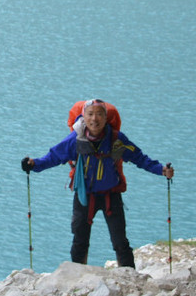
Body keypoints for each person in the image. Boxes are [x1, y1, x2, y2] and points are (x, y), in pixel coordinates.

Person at [20, 99, 174, 268]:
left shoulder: (115, 139)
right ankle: (78, 276)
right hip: (84, 195)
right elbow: (54, 156)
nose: (95, 119)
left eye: (99, 114)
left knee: (120, 241)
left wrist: (161, 170)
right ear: (83, 117)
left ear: (106, 118)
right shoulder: (76, 139)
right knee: (80, 240)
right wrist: (34, 164)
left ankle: (129, 276)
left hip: (111, 195)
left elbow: (138, 158)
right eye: (90, 114)